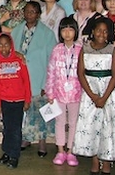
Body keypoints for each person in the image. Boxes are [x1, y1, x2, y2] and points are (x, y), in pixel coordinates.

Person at [72, 17, 115, 175]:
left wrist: (103, 97)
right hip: (90, 93)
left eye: (106, 31)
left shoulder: (113, 50)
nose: (102, 33)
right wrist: (93, 96)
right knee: (92, 127)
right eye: (99, 30)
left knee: (107, 127)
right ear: (93, 31)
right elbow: (80, 73)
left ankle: (106, 161)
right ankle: (95, 160)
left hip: (108, 93)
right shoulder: (85, 49)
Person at [12, 1, 57, 156]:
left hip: (39, 78)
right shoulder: (16, 31)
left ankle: (42, 143)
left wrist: (47, 83)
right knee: (25, 111)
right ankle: (26, 138)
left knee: (41, 112)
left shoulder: (48, 34)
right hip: (19, 79)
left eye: (33, 12)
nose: (29, 14)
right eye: (27, 11)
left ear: (38, 15)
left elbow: (52, 60)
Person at [44, 17, 82, 167]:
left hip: (76, 93)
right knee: (59, 122)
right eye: (64, 29)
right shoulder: (56, 49)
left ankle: (71, 151)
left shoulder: (80, 50)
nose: (67, 33)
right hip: (58, 92)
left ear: (75, 32)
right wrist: (50, 92)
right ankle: (60, 150)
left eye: (70, 29)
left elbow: (83, 73)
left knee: (73, 123)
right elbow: (51, 71)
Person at [0, 33, 31, 169]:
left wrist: (27, 99)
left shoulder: (20, 61)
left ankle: (14, 155)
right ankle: (7, 152)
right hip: (5, 101)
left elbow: (26, 81)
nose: (3, 48)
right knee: (7, 129)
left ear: (11, 46)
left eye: (6, 44)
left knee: (15, 130)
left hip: (18, 101)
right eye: (0, 45)